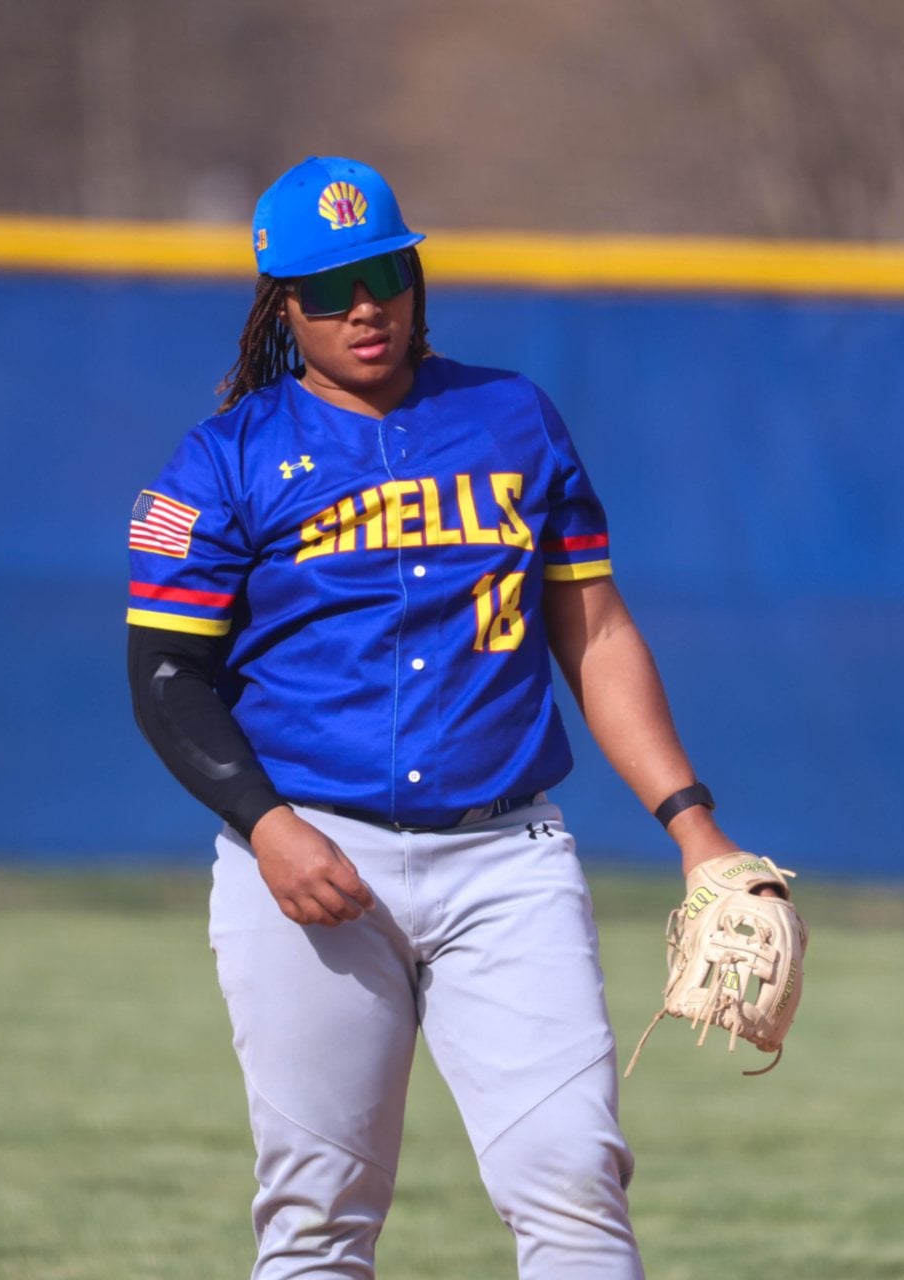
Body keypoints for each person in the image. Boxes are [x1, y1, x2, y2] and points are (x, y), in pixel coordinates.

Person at [126, 156, 744, 1280]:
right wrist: (267, 825)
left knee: (575, 1174)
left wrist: (694, 825)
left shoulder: (511, 417)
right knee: (317, 1218)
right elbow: (169, 676)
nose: (365, 305)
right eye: (330, 288)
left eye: (386, 274)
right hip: (313, 859)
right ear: (282, 307)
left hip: (506, 857)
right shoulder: (224, 461)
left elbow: (597, 634)